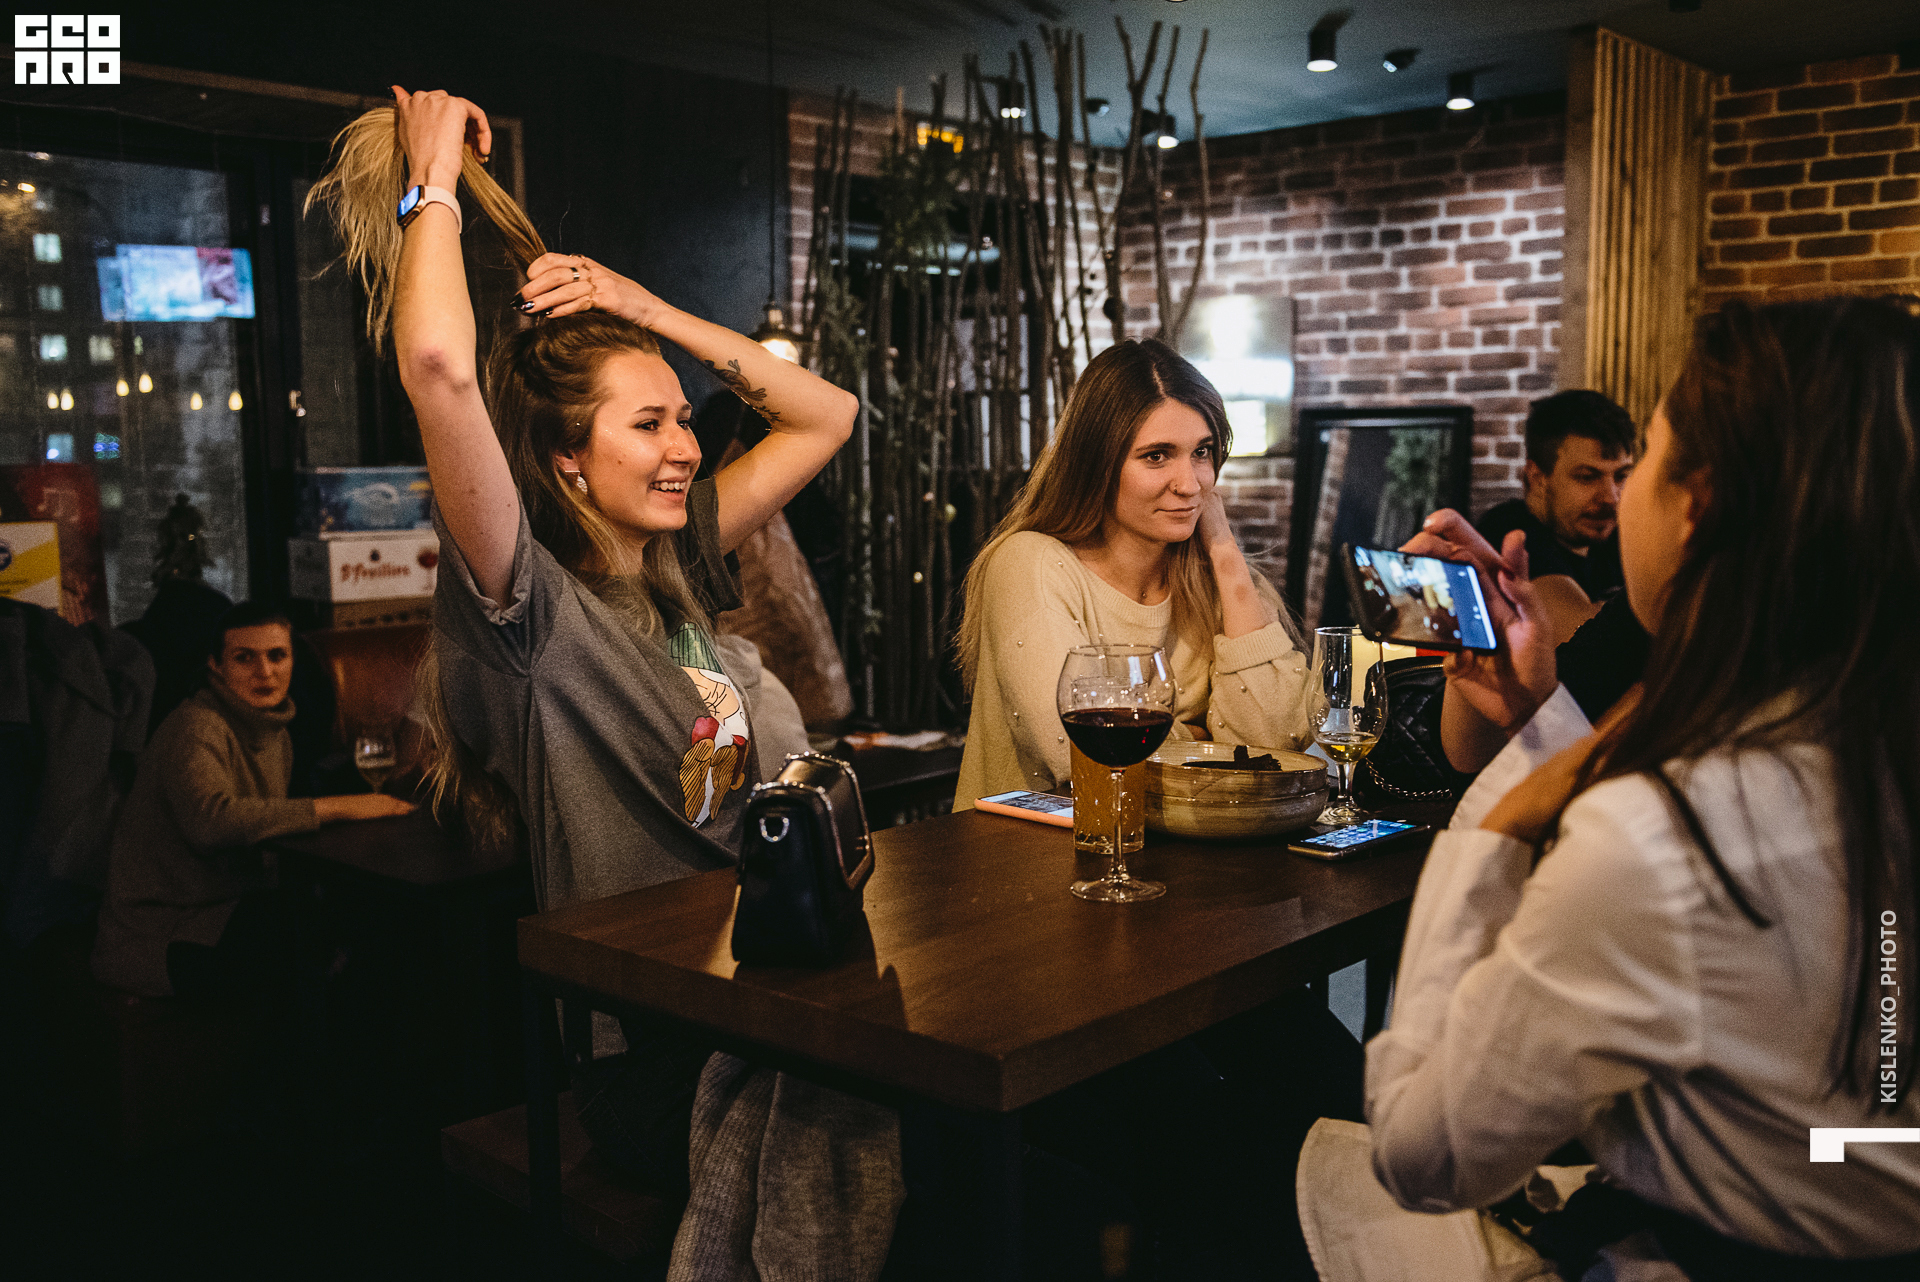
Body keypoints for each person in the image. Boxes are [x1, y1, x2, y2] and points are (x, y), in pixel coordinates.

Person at [308, 88, 885, 1256]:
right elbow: (439, 366)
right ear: (568, 460)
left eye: (683, 420)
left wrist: (642, 306)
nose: (683, 447)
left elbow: (828, 414)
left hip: (774, 998)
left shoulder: (684, 561)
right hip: (658, 1051)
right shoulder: (531, 615)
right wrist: (431, 183)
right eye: (647, 425)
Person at [1297, 294, 1920, 1281]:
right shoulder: (1865, 745)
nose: (1619, 499)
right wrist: (1533, 715)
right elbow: (1873, 1133)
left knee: (1304, 1162)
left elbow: (1423, 1155)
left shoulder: (1665, 841)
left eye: (1644, 466)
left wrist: (1494, 826)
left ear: (1695, 503)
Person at [954, 337, 1312, 806]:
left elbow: (1278, 750)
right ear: (1097, 464)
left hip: (1186, 850)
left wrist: (1225, 554)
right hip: (1030, 850)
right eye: (1156, 455)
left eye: (1202, 452)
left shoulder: (1219, 580)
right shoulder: (1030, 563)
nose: (1190, 484)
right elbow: (1082, 756)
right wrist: (1203, 739)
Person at [91, 602, 413, 1000]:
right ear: (215, 665)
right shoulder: (197, 726)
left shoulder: (273, 729)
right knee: (320, 945)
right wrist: (341, 806)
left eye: (277, 656)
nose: (265, 672)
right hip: (161, 932)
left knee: (366, 922)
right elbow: (211, 822)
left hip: (229, 907)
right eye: (244, 658)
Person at [1474, 389, 1635, 633]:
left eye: (1621, 476)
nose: (1611, 498)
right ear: (1537, 477)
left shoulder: (1613, 538)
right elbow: (1581, 634)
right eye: (1587, 477)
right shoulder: (1510, 531)